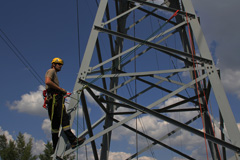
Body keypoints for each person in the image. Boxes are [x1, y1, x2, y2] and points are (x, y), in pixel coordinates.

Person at [45, 57, 85, 151]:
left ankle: (55, 147)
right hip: (56, 99)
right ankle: (73, 140)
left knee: (55, 125)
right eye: (59, 64)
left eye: (61, 65)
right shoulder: (51, 71)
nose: (60, 66)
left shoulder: (52, 72)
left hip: (53, 100)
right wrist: (61, 89)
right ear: (54, 64)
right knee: (64, 119)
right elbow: (48, 81)